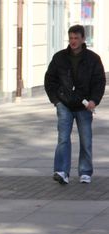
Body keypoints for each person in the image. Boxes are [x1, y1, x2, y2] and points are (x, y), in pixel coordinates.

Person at [44, 24, 105, 185]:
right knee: (63, 138)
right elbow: (49, 80)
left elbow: (99, 82)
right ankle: (61, 171)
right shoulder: (59, 58)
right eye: (71, 38)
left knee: (86, 139)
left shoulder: (93, 59)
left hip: (84, 106)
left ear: (83, 39)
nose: (73, 41)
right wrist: (56, 101)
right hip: (64, 104)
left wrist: (94, 100)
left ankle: (85, 172)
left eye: (76, 38)